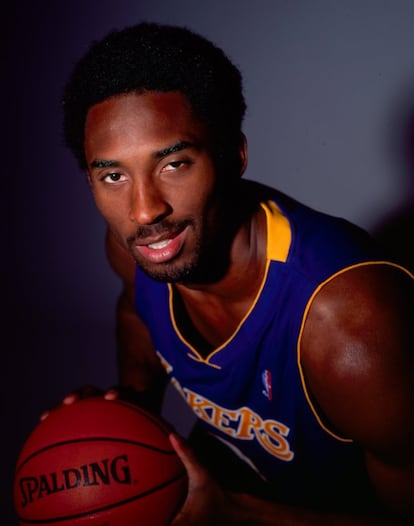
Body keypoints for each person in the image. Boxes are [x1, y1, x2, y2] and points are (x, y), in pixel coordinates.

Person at [60, 22, 414, 525]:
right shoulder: (139, 251)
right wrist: (130, 410)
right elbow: (138, 315)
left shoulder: (352, 326)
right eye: (113, 175)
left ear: (234, 156)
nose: (143, 211)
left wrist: (235, 513)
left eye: (174, 164)